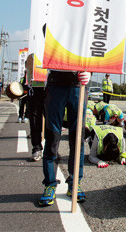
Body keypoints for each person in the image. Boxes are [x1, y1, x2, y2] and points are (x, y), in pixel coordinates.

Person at [39, 70, 90, 207]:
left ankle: (75, 182)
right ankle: (50, 184)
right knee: (52, 137)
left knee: (77, 138)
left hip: (78, 85)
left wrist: (90, 71)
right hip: (56, 85)